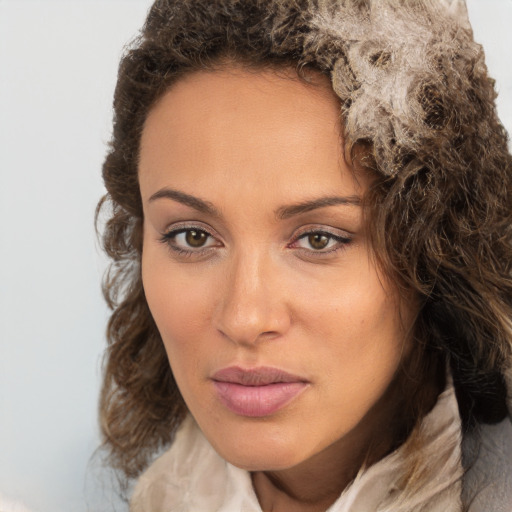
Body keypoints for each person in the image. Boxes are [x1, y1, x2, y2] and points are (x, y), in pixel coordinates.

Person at [97, 0, 512, 510]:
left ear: (436, 250)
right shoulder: (166, 493)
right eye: (193, 237)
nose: (244, 318)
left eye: (319, 239)